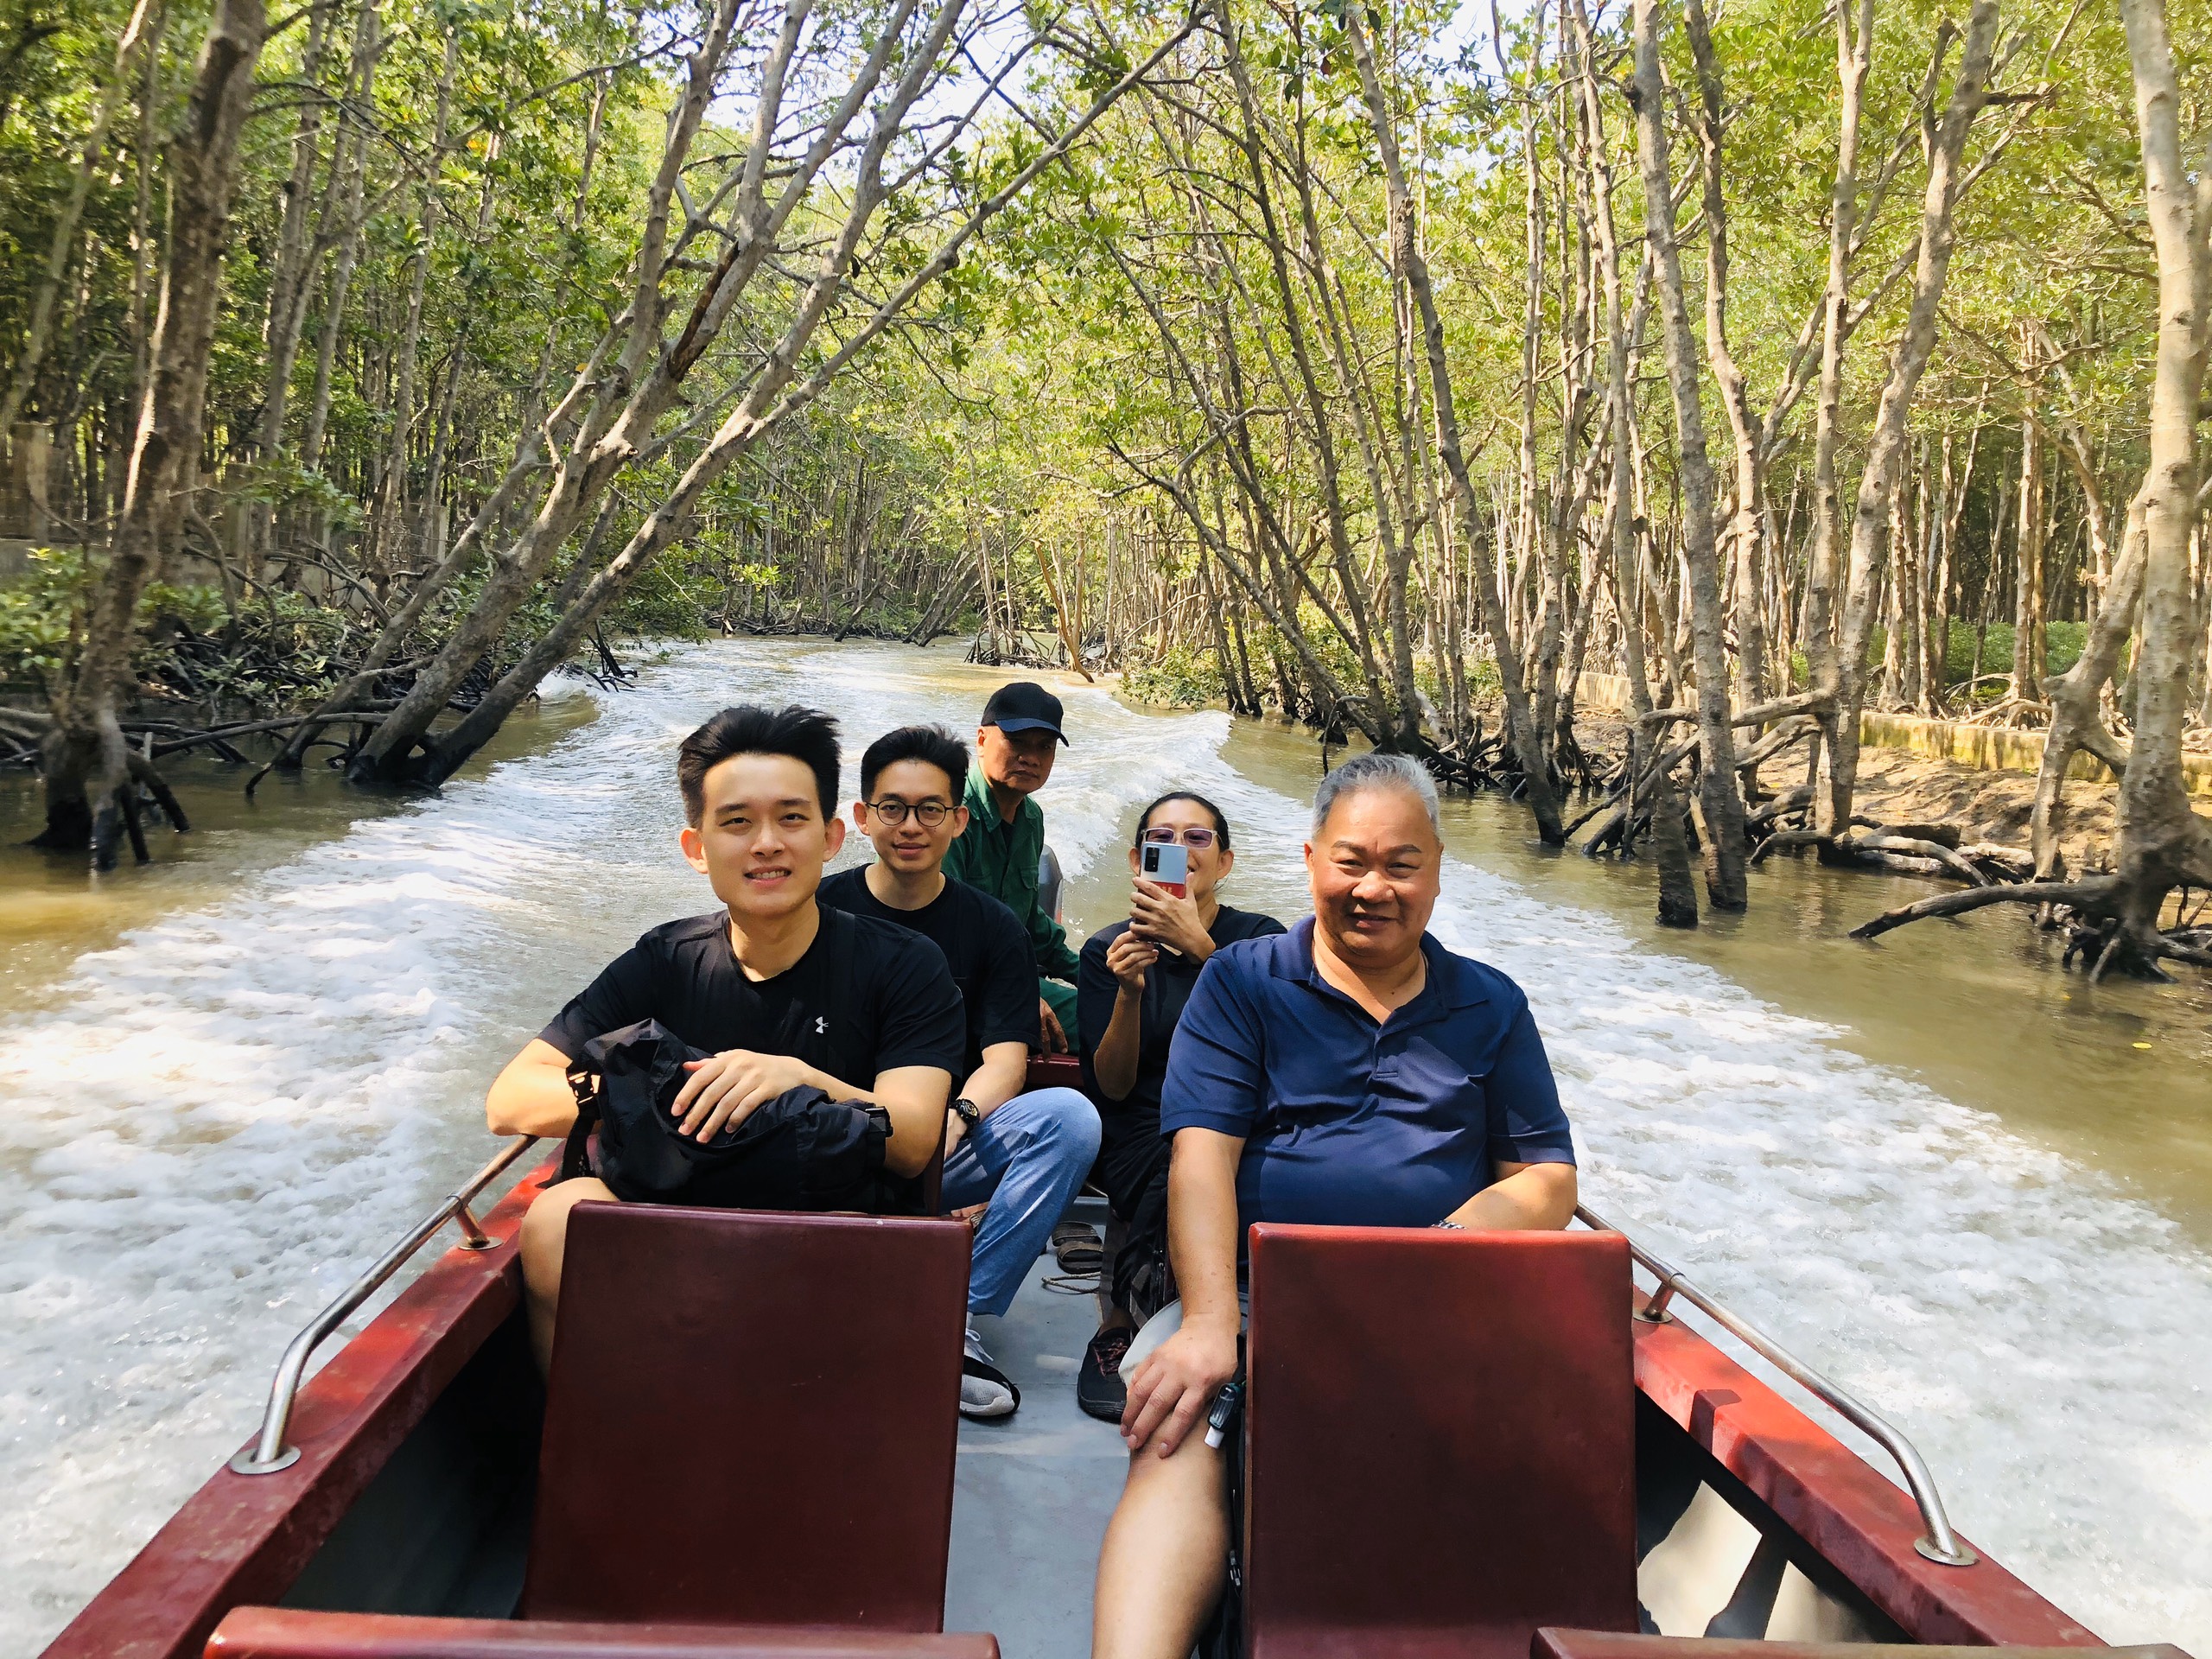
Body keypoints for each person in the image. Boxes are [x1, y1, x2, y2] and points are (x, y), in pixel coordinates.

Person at [1088, 752, 1580, 1659]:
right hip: (1252, 1290)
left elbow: (1546, 1182)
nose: (1374, 888)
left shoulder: (1491, 1004)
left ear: (1436, 869)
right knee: (1174, 1434)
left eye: (1401, 865)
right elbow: (1200, 1158)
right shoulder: (1242, 981)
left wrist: (1423, 1258)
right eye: (1351, 862)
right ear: (1311, 859)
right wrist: (1205, 1321)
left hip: (1441, 1297)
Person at [489, 705, 967, 1373]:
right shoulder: (665, 959)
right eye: (737, 822)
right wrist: (676, 1086)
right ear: (697, 847)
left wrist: (799, 1078)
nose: (766, 843)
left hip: (826, 1217)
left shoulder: (904, 964)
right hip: (668, 1210)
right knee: (559, 1215)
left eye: (791, 818)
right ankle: (592, 1459)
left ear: (831, 838)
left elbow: (914, 1140)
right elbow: (510, 1099)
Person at [819, 724, 1102, 1420]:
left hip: (946, 1137)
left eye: (930, 810)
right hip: (829, 1134)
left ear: (958, 819)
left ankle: (953, 1318)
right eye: (892, 807)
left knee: (1069, 1119)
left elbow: (1007, 1058)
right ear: (861, 819)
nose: (910, 826)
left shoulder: (990, 926)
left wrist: (958, 1117)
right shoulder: (817, 909)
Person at [1072, 792, 1283, 1423]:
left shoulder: (1259, 942)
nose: (1181, 851)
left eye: (1198, 839)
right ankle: (1123, 1315)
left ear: (1224, 862)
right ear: (1140, 861)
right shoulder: (1108, 950)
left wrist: (1199, 947)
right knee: (1177, 1170)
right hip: (1146, 1122)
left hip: (1243, 1117)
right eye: (1163, 839)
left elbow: (1292, 1044)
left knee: (1230, 1159)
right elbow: (1111, 1086)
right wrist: (1129, 995)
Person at [942, 681, 1083, 1052]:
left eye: (1044, 747)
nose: (1031, 758)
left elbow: (1031, 924)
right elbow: (938, 931)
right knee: (1097, 1019)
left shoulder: (1031, 818)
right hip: (954, 985)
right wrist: (1018, 996)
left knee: (1119, 1002)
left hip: (1008, 974)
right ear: (982, 740)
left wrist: (1092, 973)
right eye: (1017, 743)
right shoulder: (948, 816)